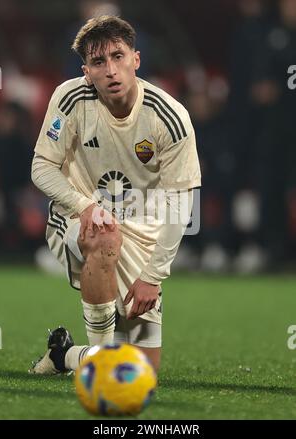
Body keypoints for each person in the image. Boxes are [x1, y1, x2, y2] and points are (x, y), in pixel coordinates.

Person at [31, 15, 201, 373]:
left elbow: (181, 203)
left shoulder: (168, 116)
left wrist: (153, 276)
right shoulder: (71, 98)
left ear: (136, 59)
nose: (110, 70)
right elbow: (42, 166)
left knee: (142, 370)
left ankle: (65, 356)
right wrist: (84, 206)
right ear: (86, 71)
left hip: (142, 234)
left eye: (118, 56)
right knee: (104, 232)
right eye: (98, 62)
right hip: (77, 218)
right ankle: (104, 366)